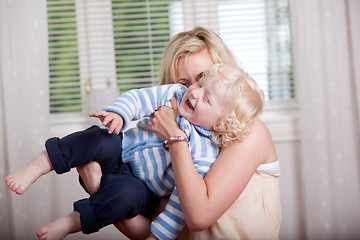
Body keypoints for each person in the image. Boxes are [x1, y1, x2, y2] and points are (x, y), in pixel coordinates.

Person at [5, 63, 264, 240]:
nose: (194, 93)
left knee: (125, 197)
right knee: (101, 137)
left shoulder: (206, 155)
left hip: (140, 185)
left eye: (207, 98)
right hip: (121, 148)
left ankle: (71, 222)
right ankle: (37, 166)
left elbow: (179, 205)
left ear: (221, 123)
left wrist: (156, 237)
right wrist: (119, 113)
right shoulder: (176, 94)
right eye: (199, 84)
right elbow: (140, 98)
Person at [79, 26, 282, 239]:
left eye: (204, 78)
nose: (193, 92)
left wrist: (176, 138)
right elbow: (154, 232)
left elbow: (198, 217)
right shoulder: (163, 158)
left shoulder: (251, 133)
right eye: (183, 84)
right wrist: (98, 188)